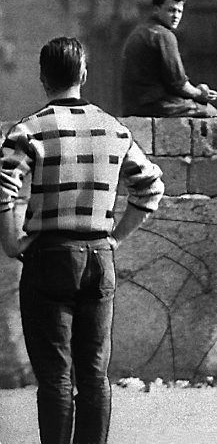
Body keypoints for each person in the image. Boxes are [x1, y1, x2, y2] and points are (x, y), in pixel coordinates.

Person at [0, 37, 165, 444]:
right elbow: (151, 188)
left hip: (49, 258)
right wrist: (116, 238)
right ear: (84, 75)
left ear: (43, 79)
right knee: (94, 376)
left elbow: (3, 185)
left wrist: (11, 241)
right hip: (99, 258)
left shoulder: (28, 129)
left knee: (55, 377)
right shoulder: (113, 128)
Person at [120, 0, 217, 117]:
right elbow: (178, 84)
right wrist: (200, 93)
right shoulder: (164, 35)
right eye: (171, 10)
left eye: (179, 11)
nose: (176, 16)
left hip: (132, 107)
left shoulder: (139, 31)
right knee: (211, 112)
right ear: (156, 9)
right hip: (156, 106)